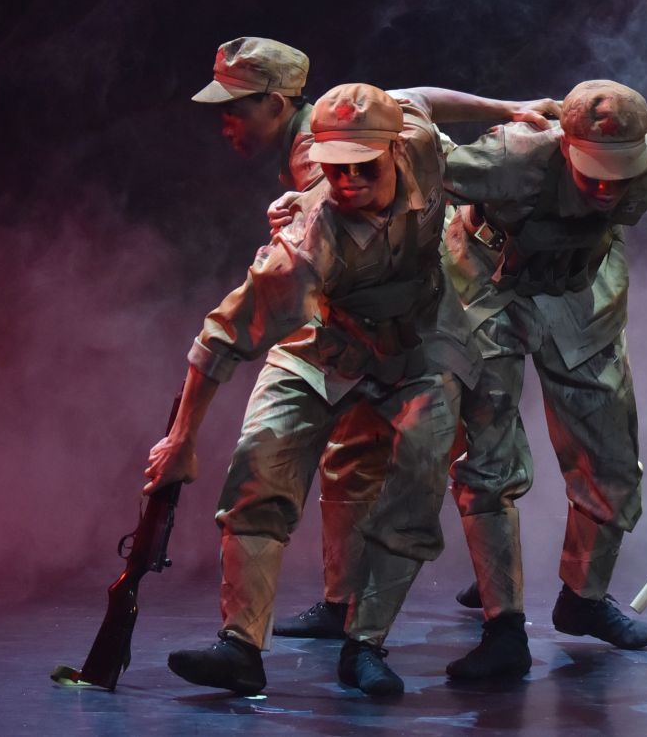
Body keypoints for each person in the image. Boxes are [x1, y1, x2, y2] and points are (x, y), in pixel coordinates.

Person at [192, 38, 559, 640]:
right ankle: (345, 607)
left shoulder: (324, 153)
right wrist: (505, 104)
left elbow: (345, 207)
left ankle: (501, 623)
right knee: (354, 459)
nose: (225, 122)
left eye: (236, 107)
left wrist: (305, 208)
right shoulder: (351, 118)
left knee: (470, 463)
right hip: (367, 324)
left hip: (428, 319)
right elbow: (415, 98)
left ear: (277, 103)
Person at [146, 83, 461, 698]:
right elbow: (221, 338)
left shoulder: (422, 142)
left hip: (416, 344)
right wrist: (180, 441)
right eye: (335, 167)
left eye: (363, 166)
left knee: (419, 484)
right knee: (259, 466)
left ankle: (365, 644)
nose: (348, 181)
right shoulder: (307, 240)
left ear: (395, 149)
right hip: (321, 346)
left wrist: (513, 110)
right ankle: (240, 646)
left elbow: (419, 98)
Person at [435, 80, 647, 680]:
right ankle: (503, 625)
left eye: (619, 173)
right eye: (592, 171)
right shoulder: (513, 155)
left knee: (612, 463)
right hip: (488, 284)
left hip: (579, 287)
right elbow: (404, 141)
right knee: (490, 462)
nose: (606, 187)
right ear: (565, 146)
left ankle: (583, 597)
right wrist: (499, 108)